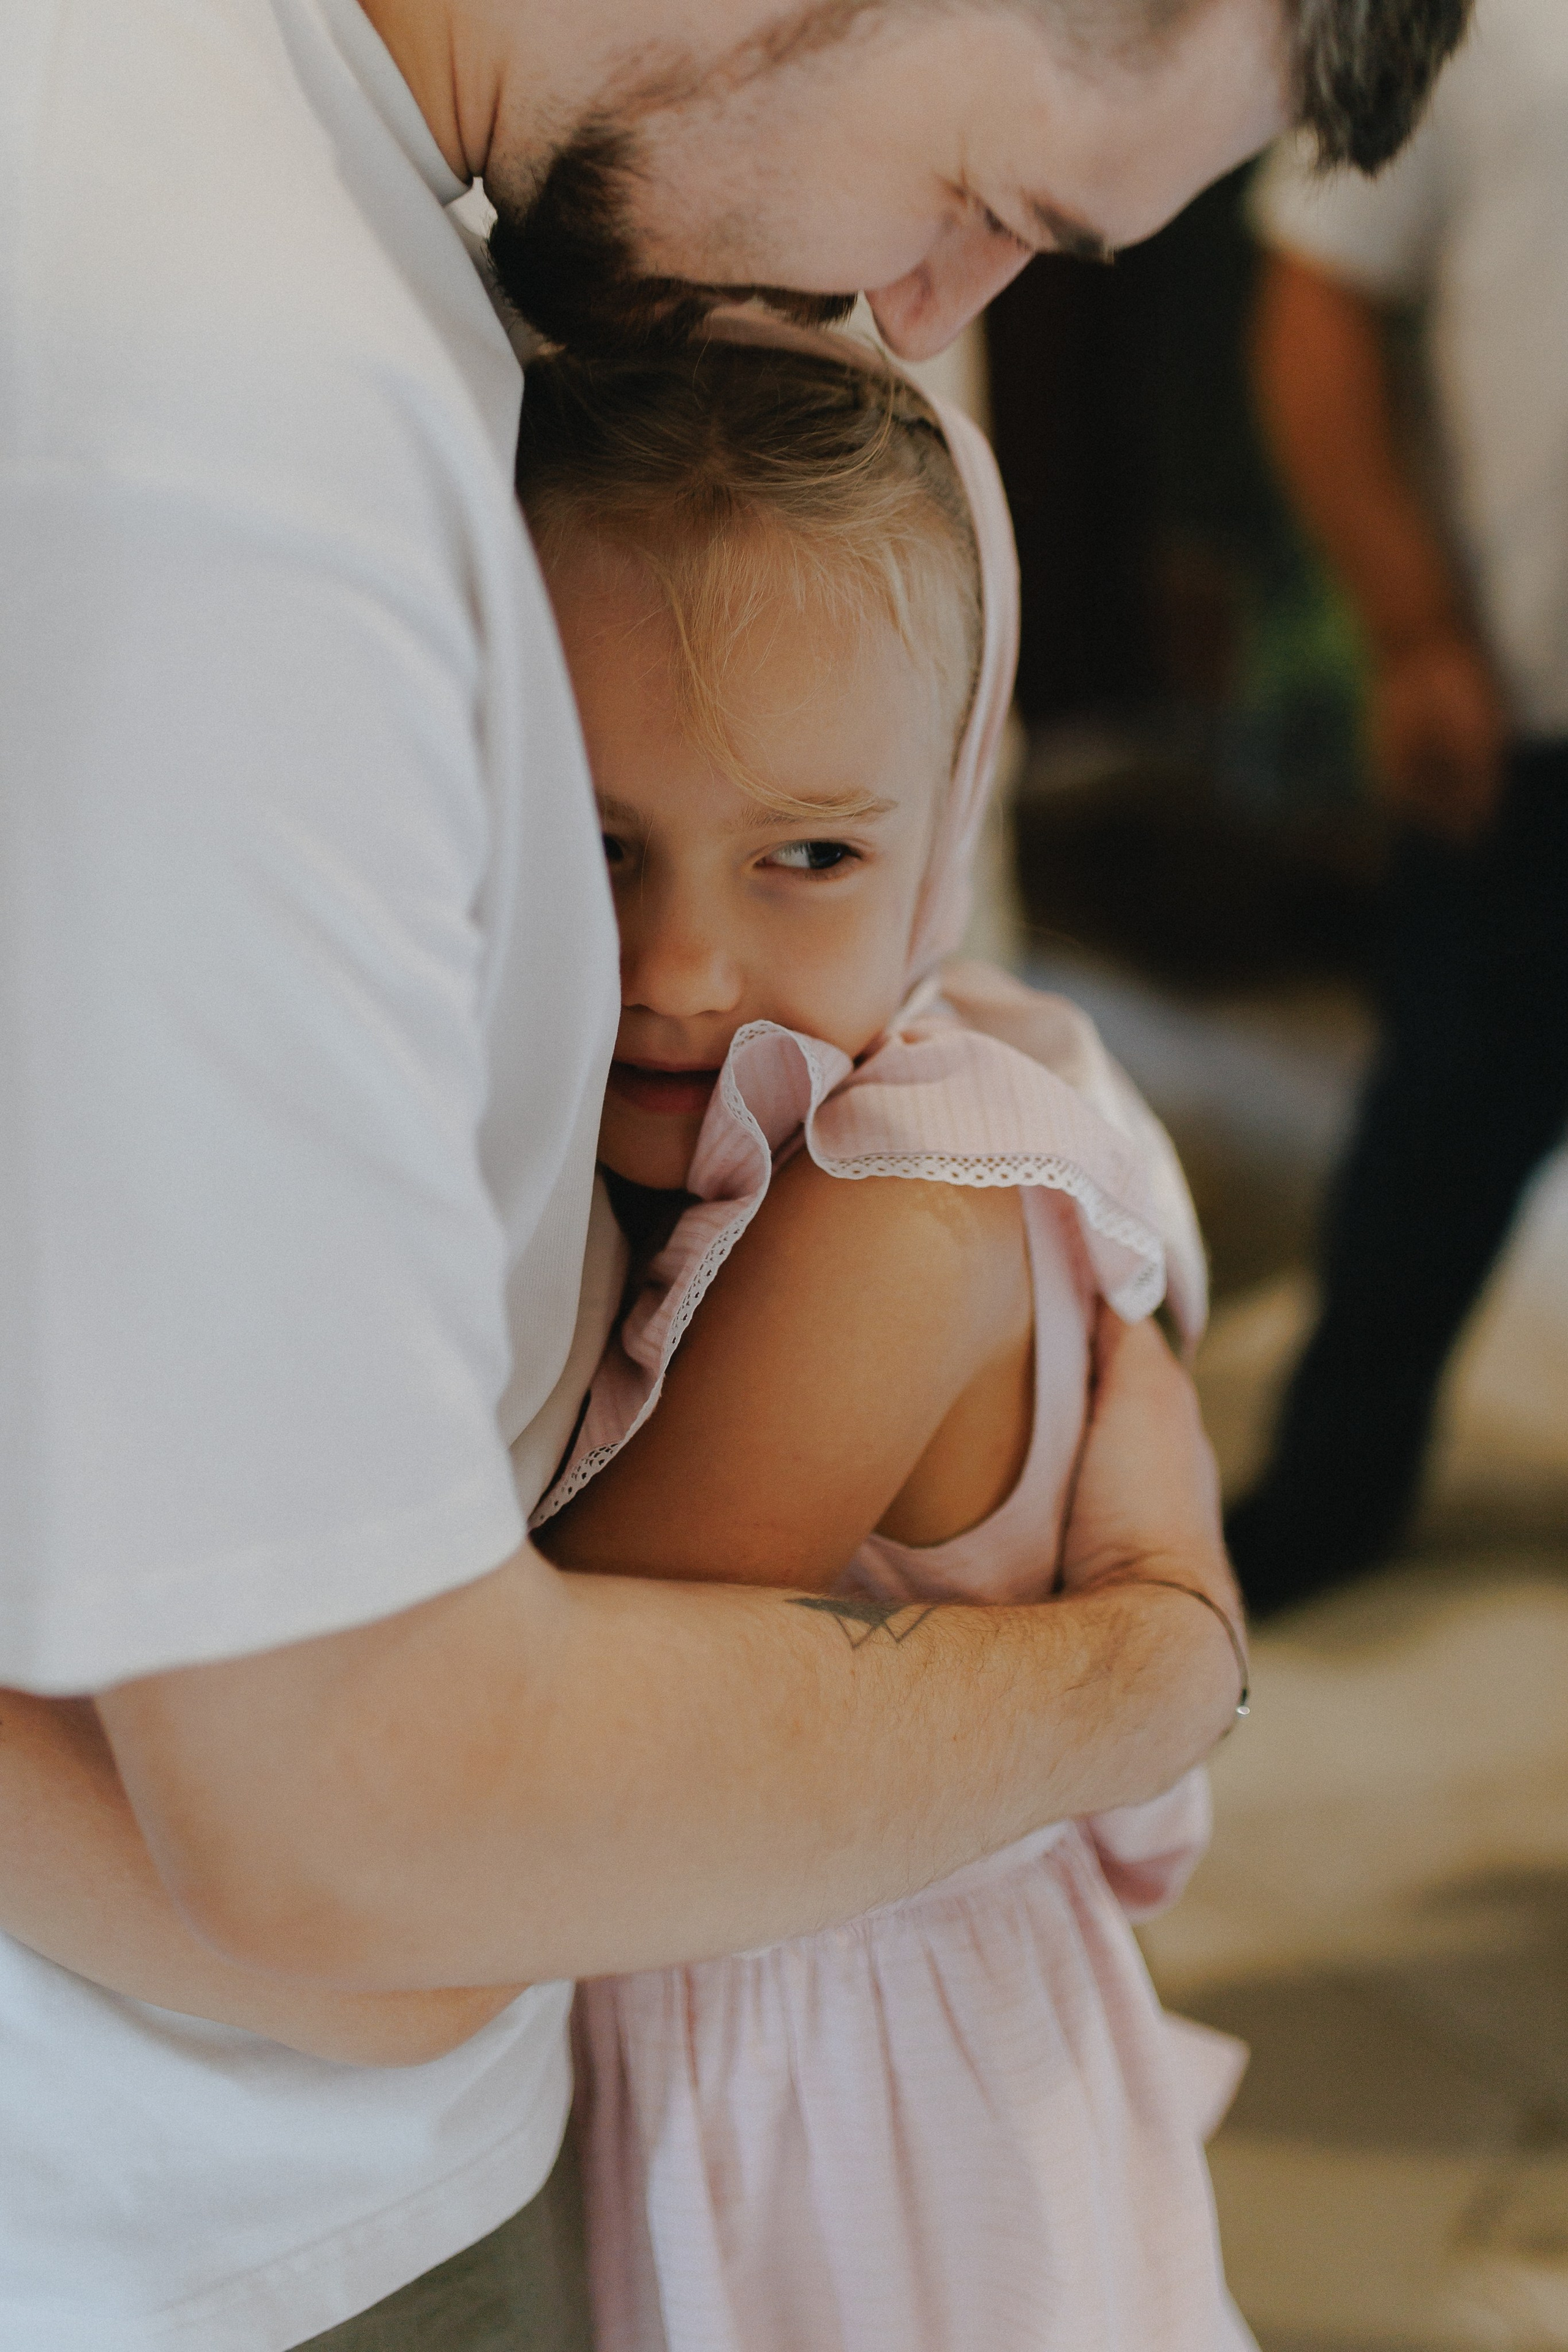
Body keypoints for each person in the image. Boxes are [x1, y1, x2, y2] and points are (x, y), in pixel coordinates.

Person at [0, 0, 1466, 2343]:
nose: (919, 308)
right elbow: (406, 1844)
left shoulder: (370, 243)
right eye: (991, 195)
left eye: (810, 852)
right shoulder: (240, 400)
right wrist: (1147, 1671)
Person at [519, 322, 1251, 2351]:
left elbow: (543, 1736)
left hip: (846, 2127)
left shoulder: (893, 1214)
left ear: (952, 820)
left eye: (811, 856)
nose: (679, 964)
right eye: (593, 844)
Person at [1227, 0, 1568, 1616]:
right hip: (1530, 721)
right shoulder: (1471, 20)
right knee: (1442, 1123)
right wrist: (1416, 632)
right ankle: (1333, 1488)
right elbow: (1319, 304)